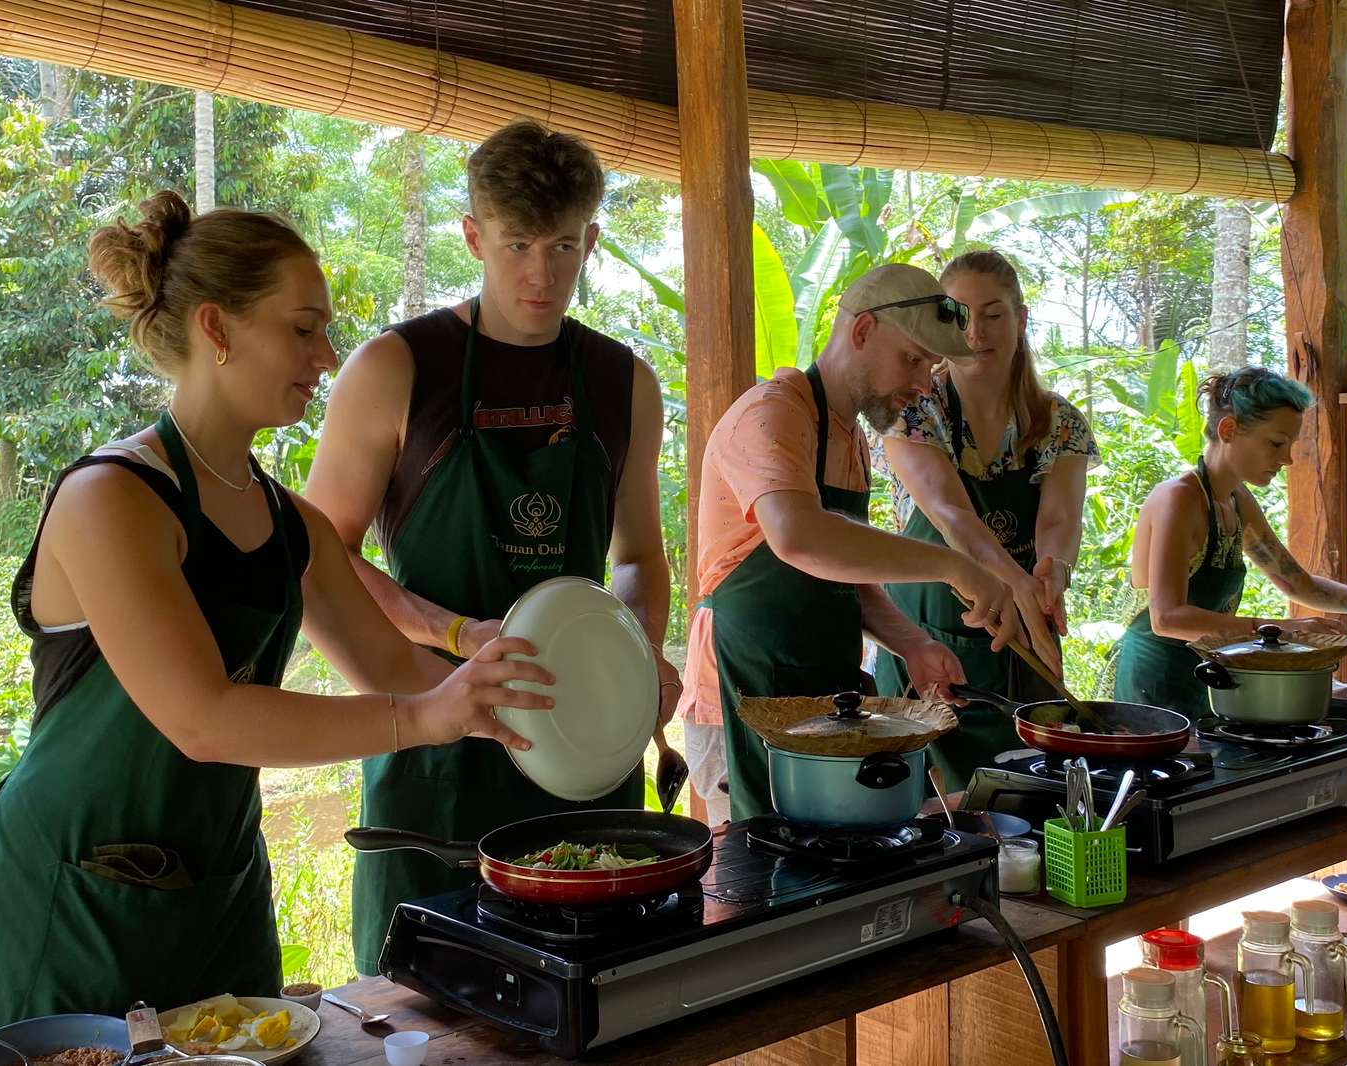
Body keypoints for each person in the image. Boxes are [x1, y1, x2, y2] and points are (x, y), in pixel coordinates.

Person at [0, 192, 553, 1064]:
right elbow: (204, 719)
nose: (327, 357)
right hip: (74, 892)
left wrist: (531, 689)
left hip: (217, 882)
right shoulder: (110, 498)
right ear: (217, 328)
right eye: (303, 330)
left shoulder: (286, 522)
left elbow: (395, 669)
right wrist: (428, 719)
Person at [307, 119, 676, 975]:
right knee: (428, 1011)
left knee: (596, 984)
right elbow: (320, 557)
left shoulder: (624, 381)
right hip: (435, 740)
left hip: (585, 742)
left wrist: (639, 653)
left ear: (592, 238)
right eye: (515, 245)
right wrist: (455, 636)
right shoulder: (397, 368)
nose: (540, 276)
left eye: (561, 246)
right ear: (473, 236)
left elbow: (637, 559)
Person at [678, 263, 1022, 823]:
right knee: (756, 875)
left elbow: (845, 579)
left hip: (817, 696)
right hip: (738, 691)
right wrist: (954, 566)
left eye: (930, 368)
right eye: (912, 359)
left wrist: (911, 644)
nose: (920, 385)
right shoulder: (774, 413)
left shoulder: (852, 439)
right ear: (861, 332)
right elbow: (799, 537)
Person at [872, 250, 1095, 786]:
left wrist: (1051, 572)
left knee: (1031, 795)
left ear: (1020, 320)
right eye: (959, 315)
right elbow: (951, 514)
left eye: (994, 314)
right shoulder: (915, 411)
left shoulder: (1057, 420)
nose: (976, 333)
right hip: (925, 645)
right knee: (934, 814)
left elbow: (1060, 518)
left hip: (1022, 635)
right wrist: (1016, 581)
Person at [1113, 366, 1347, 713]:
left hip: (1206, 674)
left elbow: (1298, 584)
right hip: (1154, 684)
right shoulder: (1179, 499)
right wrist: (1282, 631)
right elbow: (1168, 618)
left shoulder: (1238, 501)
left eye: (1290, 444)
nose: (1287, 458)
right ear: (1229, 430)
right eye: (1276, 443)